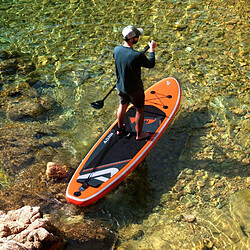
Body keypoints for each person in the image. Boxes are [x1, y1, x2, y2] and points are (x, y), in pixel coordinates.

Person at [113, 25, 156, 140]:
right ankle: (139, 134)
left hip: (120, 86)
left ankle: (120, 129)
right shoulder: (137, 55)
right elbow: (150, 64)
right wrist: (152, 50)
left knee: (122, 106)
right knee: (139, 110)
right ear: (131, 39)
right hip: (135, 90)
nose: (138, 38)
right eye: (137, 36)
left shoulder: (116, 50)